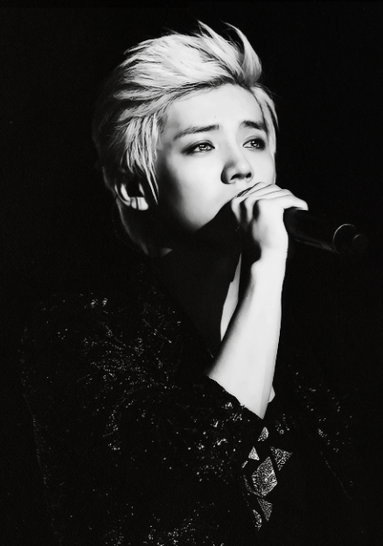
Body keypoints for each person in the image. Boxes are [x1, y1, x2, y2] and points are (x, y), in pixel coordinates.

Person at [21, 22, 360, 545]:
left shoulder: (313, 333)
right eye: (202, 146)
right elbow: (188, 474)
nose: (241, 166)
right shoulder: (78, 332)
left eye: (254, 140)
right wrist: (267, 268)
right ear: (134, 187)